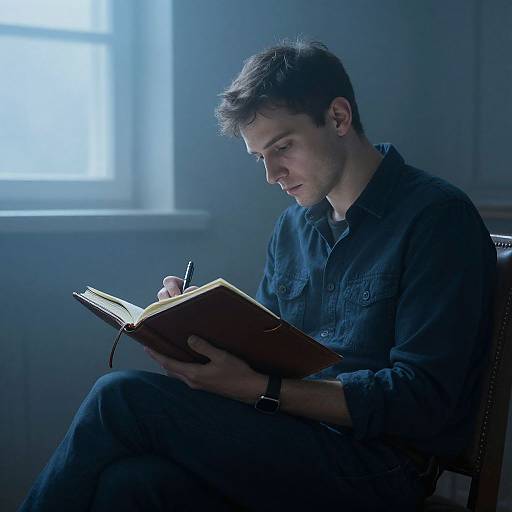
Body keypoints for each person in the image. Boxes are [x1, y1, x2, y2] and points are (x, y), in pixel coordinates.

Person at [18, 40, 496, 512]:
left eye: (283, 147)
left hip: (381, 466)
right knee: (131, 484)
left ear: (338, 117)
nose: (272, 174)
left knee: (119, 397)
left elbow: (420, 402)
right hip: (291, 437)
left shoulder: (437, 218)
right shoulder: (293, 226)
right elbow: (272, 354)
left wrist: (259, 389)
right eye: (258, 156)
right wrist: (194, 327)